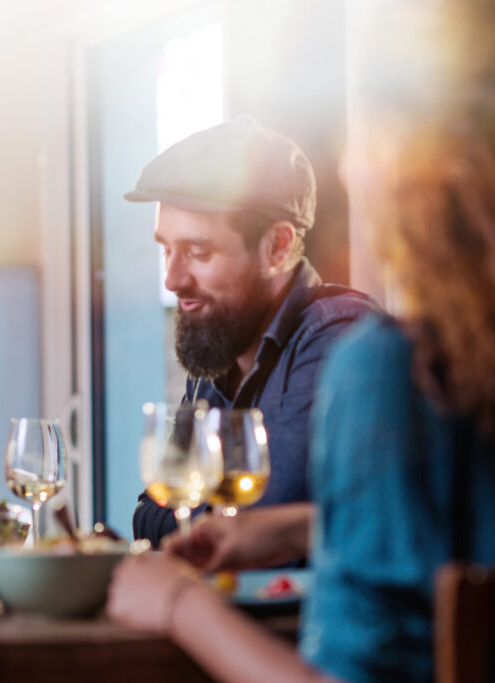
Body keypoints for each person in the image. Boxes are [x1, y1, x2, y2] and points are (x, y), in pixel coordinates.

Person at [107, 4, 495, 682]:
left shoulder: (376, 361)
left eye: (366, 142)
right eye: (166, 249)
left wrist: (175, 603)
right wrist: (298, 526)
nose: (348, 167)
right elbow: (156, 513)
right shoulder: (216, 353)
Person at [126, 117, 377, 545]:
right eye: (166, 250)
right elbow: (147, 517)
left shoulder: (339, 338)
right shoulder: (217, 344)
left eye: (198, 252)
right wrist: (201, 515)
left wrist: (196, 512)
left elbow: (264, 520)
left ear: (277, 247)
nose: (172, 279)